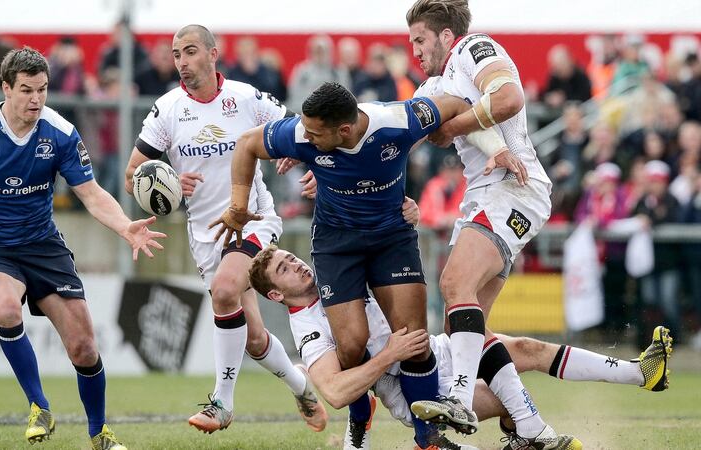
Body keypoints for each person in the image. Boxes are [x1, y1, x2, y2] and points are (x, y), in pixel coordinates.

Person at [210, 80, 517, 448]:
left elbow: (454, 104)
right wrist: (238, 207)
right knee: (352, 343)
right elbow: (247, 144)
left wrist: (455, 135)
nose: (303, 137)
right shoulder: (300, 134)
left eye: (313, 133)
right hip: (337, 245)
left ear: (344, 129)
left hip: (392, 238)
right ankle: (360, 415)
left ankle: (428, 440)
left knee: (415, 342)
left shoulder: (399, 120)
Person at [0, 47, 166, 450]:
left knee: (84, 347)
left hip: (43, 246)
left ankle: (99, 434)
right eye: (26, 90)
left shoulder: (61, 133)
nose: (36, 99)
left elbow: (90, 193)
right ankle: (39, 405)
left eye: (43, 90)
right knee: (5, 309)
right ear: (5, 88)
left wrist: (126, 227)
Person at [247, 245, 673, 449]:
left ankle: (641, 373)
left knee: (513, 345)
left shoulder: (331, 280)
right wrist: (390, 354)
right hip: (409, 383)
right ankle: (524, 435)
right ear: (276, 297)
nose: (297, 263)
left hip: (430, 349)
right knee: (493, 366)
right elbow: (335, 393)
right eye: (285, 268)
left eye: (291, 256)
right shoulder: (308, 330)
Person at [122, 24, 327, 434]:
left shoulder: (246, 99)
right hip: (206, 236)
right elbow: (131, 175)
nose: (182, 62)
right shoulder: (167, 110)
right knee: (252, 338)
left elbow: (305, 132)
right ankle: (303, 387)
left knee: (226, 289)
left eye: (190, 51)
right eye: (176, 54)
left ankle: (222, 402)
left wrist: (314, 166)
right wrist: (166, 182)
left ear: (213, 55)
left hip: (254, 221)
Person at [406, 1, 580, 448]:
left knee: (453, 281)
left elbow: (508, 98)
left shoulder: (473, 48)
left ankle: (461, 400)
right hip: (484, 193)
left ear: (447, 36)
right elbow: (407, 129)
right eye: (411, 43)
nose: (415, 51)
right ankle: (533, 430)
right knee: (467, 325)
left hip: (513, 188)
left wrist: (461, 127)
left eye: (420, 40)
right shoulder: (432, 85)